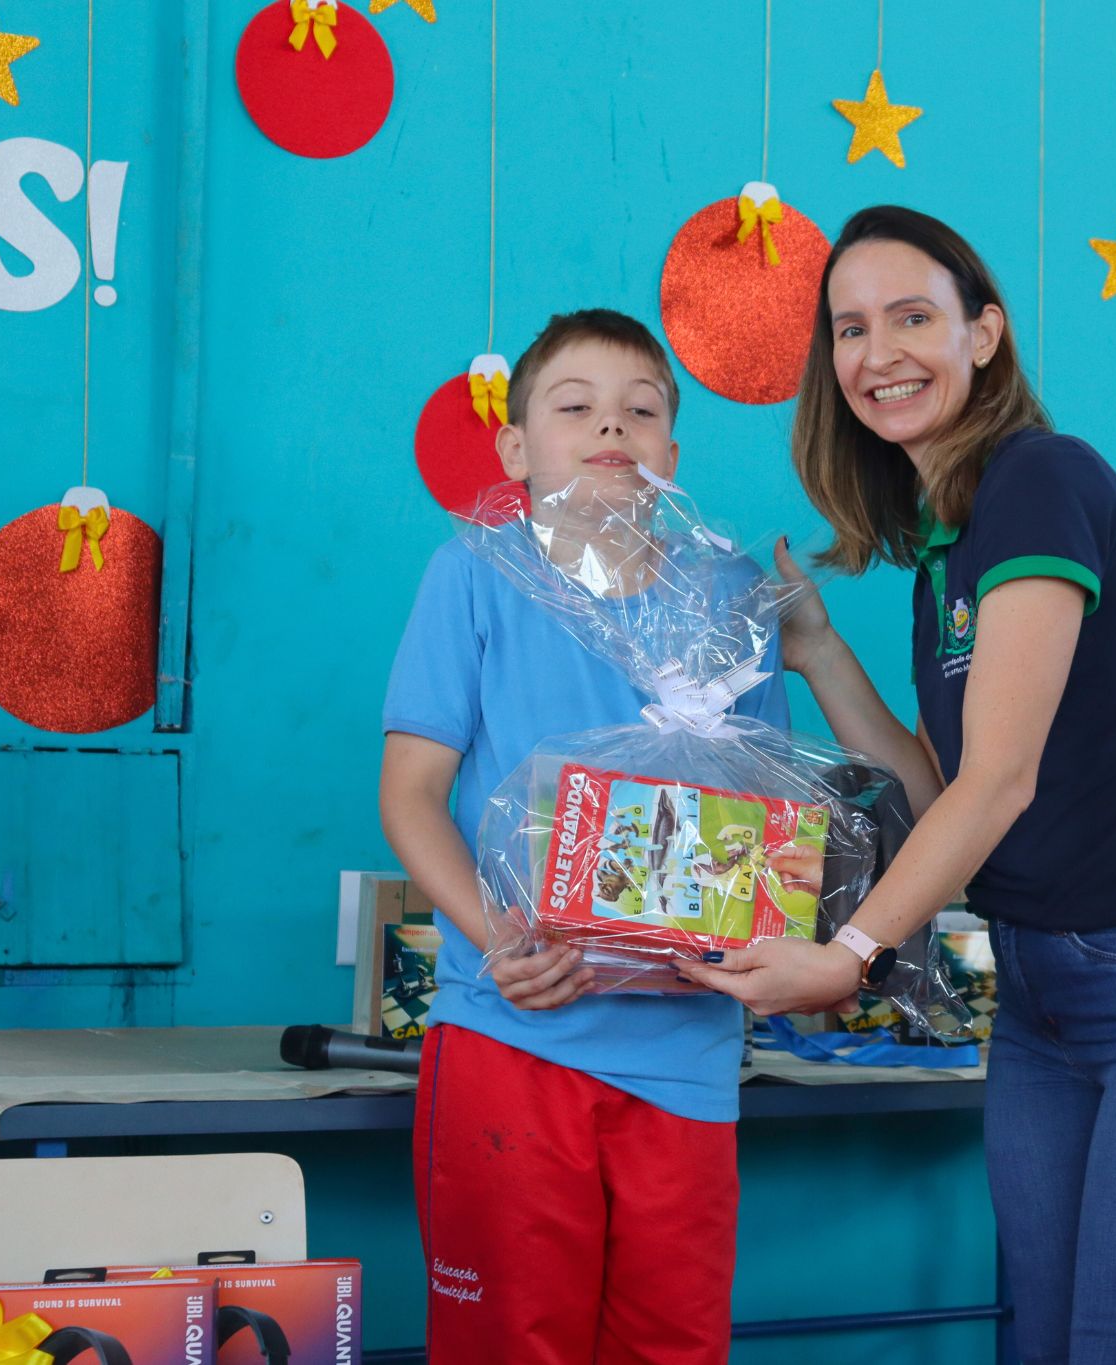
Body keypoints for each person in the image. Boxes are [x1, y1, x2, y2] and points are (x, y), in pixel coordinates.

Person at [681, 206, 1116, 1365]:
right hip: (1042, 1000)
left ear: (986, 335)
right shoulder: (944, 545)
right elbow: (935, 784)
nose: (879, 355)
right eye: (850, 330)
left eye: (913, 317)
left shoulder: (1038, 481)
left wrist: (848, 952)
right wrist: (818, 650)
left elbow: (999, 785)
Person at [379, 308, 786, 1365]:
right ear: (516, 449)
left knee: (672, 1345)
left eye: (641, 411)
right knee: (510, 1342)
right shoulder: (473, 573)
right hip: (512, 1034)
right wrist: (499, 937)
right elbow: (411, 795)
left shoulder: (736, 596)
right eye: (576, 408)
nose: (612, 427)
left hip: (685, 1056)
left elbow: (769, 821)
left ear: (672, 454)